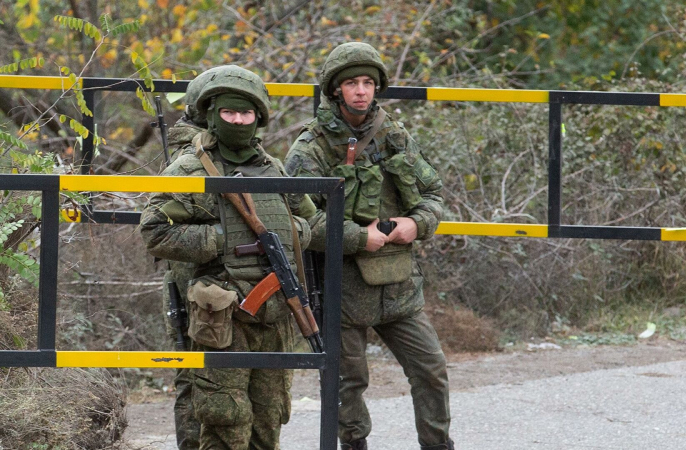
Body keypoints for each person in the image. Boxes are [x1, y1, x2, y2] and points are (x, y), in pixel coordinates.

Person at [284, 42, 454, 450]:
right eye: (351, 84)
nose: (361, 91)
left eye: (367, 83)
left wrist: (417, 222)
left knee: (431, 370)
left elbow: (433, 193)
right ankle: (354, 445)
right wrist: (359, 237)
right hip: (340, 288)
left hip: (398, 284)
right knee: (348, 383)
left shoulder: (393, 135)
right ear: (335, 89)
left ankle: (437, 444)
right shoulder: (309, 149)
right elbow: (300, 222)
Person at [140, 65, 312, 449]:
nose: (237, 120)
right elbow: (154, 231)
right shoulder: (190, 168)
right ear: (213, 115)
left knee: (269, 419)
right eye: (229, 112)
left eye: (246, 113)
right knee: (225, 420)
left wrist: (290, 233)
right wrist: (223, 239)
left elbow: (311, 222)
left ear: (259, 118)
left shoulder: (273, 169)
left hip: (275, 314)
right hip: (222, 315)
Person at [158, 65, 227, 450]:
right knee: (191, 376)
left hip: (222, 281)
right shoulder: (190, 154)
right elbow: (159, 228)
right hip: (192, 281)